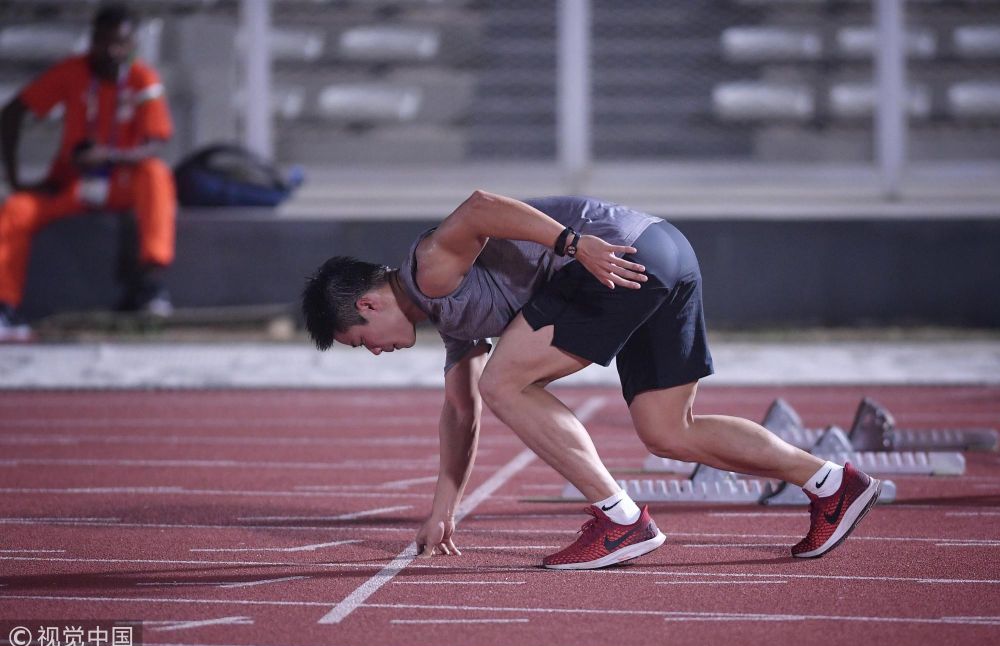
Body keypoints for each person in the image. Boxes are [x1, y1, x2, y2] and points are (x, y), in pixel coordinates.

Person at [301, 191, 882, 570]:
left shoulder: (429, 266)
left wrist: (575, 246)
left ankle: (620, 519)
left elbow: (478, 207)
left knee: (503, 382)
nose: (373, 353)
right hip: (666, 251)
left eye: (359, 342)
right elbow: (460, 413)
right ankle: (832, 483)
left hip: (616, 257)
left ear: (371, 306)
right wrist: (442, 507)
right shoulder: (452, 325)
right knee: (668, 431)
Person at [0, 2, 176, 340]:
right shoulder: (73, 72)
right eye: (103, 41)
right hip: (71, 182)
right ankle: (4, 306)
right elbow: (12, 113)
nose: (111, 51)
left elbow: (157, 142)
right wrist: (14, 178)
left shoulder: (143, 78)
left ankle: (150, 285)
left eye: (119, 43)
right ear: (92, 40)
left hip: (121, 181)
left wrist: (108, 154)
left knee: (155, 174)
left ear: (132, 45)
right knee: (16, 208)